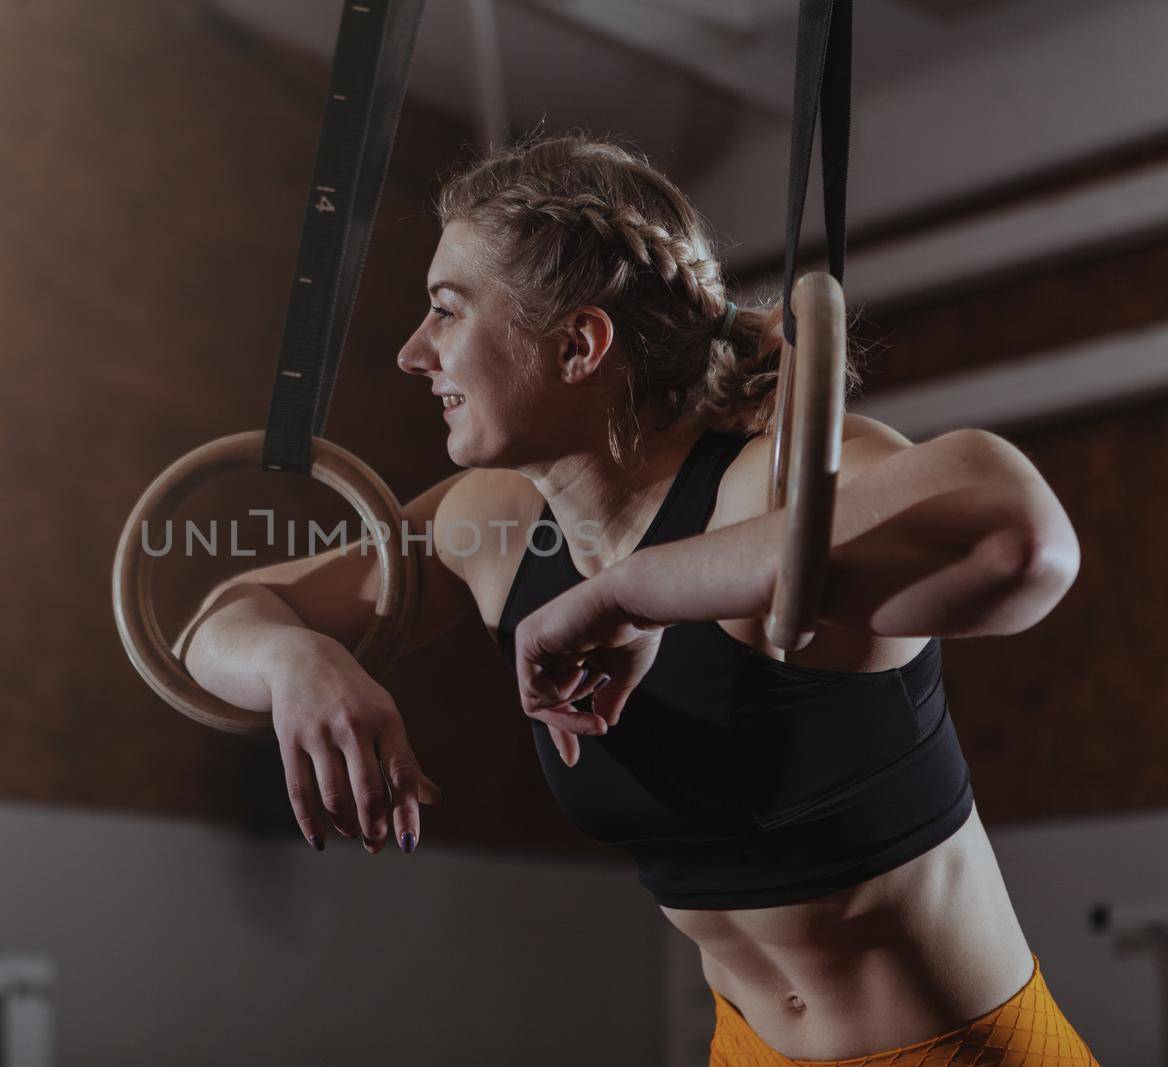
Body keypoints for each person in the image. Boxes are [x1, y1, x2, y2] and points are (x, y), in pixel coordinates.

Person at [174, 133, 1099, 1063]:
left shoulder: (768, 488)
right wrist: (302, 661)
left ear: (578, 343)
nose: (415, 354)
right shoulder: (494, 525)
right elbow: (217, 624)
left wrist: (630, 592)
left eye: (447, 313)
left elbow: (1021, 538)